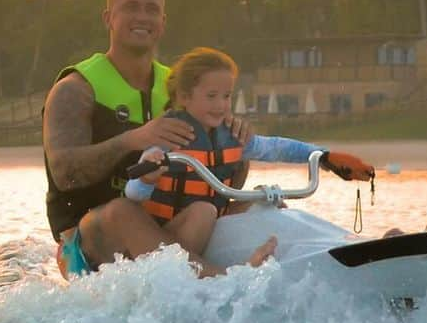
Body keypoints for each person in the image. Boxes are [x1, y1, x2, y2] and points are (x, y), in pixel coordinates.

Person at [43, 0, 373, 278]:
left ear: (162, 21)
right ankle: (224, 282)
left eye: (151, 9)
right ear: (108, 19)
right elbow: (65, 174)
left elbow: (227, 168)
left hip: (170, 227)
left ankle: (343, 256)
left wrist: (232, 136)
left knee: (251, 201)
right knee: (121, 212)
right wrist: (133, 140)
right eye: (130, 7)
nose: (142, 16)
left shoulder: (182, 88)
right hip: (90, 244)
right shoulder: (75, 90)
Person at [124, 46, 374, 258]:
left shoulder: (231, 135)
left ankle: (333, 248)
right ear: (185, 97)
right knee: (204, 210)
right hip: (165, 240)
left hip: (212, 227)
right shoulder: (169, 135)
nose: (221, 105)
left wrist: (324, 157)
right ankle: (192, 277)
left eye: (227, 96)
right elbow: (132, 193)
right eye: (211, 96)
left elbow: (276, 148)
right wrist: (147, 177)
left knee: (262, 202)